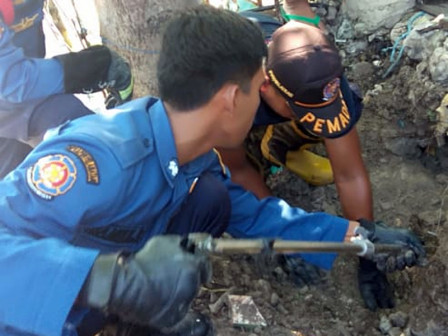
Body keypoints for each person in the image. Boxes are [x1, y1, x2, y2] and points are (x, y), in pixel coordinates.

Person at [0, 5, 425, 336]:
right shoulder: (99, 157)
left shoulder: (194, 160)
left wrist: (358, 238)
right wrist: (110, 281)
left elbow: (257, 215)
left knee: (212, 200)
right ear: (229, 100)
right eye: (257, 86)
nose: (263, 98)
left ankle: (136, 319)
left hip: (90, 300)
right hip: (30, 317)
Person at [220, 0, 394, 311]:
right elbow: (238, 171)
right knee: (236, 160)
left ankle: (281, 143)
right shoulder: (228, 96)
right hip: (244, 112)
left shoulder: (323, 74)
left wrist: (368, 249)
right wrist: (283, 240)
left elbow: (350, 173)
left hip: (278, 93)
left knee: (344, 110)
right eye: (298, 111)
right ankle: (266, 144)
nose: (306, 116)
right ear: (266, 87)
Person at [0, 3, 133, 178]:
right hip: (15, 98)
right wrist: (86, 70)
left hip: (22, 81)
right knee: (101, 153)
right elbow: (12, 80)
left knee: (13, 179)